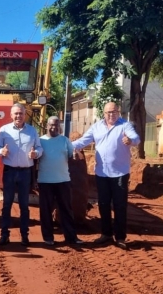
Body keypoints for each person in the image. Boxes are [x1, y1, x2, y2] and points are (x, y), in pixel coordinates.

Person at [72, 102, 140, 250]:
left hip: (120, 173)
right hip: (102, 172)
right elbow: (84, 141)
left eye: (114, 112)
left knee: (120, 205)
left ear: (118, 112)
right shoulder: (96, 127)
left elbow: (136, 138)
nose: (111, 114)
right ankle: (106, 234)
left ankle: (120, 237)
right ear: (104, 113)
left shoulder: (125, 126)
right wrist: (66, 146)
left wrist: (130, 141)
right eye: (108, 112)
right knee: (103, 204)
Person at [0, 103, 43, 246]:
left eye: (21, 113)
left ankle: (24, 235)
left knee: (24, 205)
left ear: (25, 115)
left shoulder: (32, 131)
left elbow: (40, 147)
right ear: (11, 115)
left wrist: (36, 153)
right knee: (7, 204)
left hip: (25, 172)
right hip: (9, 171)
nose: (18, 116)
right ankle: (4, 235)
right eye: (16, 113)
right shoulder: (4, 130)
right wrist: (0, 151)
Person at [37, 116, 84, 246]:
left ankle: (71, 237)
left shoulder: (65, 140)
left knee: (66, 210)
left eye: (57, 125)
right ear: (47, 125)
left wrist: (75, 156)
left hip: (63, 180)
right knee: (46, 211)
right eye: (52, 125)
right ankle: (48, 237)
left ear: (60, 127)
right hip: (45, 181)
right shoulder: (40, 141)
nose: (54, 127)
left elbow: (73, 156)